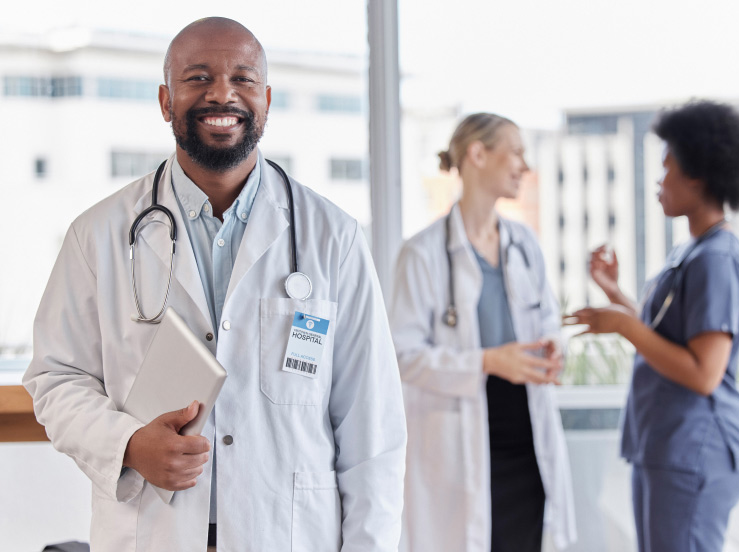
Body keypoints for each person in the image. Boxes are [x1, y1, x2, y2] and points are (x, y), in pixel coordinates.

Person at [23, 17, 406, 552]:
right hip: (153, 531)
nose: (221, 93)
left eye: (243, 79)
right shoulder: (99, 234)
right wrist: (129, 444)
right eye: (198, 78)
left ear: (266, 100)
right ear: (165, 100)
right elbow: (55, 378)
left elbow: (373, 427)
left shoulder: (333, 238)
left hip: (289, 535)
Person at [568, 100, 739, 552]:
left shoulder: (716, 259)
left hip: (696, 447)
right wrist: (615, 294)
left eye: (667, 168)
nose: (658, 181)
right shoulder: (692, 252)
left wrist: (621, 325)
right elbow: (663, 335)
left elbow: (703, 372)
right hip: (666, 445)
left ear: (697, 175)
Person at [389, 113, 576, 552]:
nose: (524, 167)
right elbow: (403, 355)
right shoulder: (422, 254)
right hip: (463, 437)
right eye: (515, 152)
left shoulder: (523, 244)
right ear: (478, 154)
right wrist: (488, 361)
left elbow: (548, 320)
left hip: (527, 436)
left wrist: (553, 348)